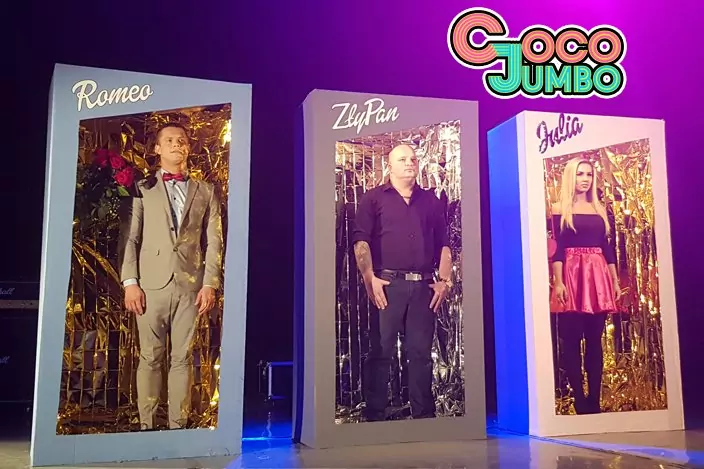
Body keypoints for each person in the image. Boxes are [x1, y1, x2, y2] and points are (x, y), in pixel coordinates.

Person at [118, 123, 223, 430]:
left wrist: (209, 283)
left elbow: (214, 240)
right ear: (157, 149)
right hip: (150, 286)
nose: (177, 144)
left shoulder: (206, 191)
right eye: (169, 140)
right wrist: (130, 283)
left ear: (188, 147)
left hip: (190, 286)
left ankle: (178, 426)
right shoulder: (141, 188)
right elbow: (130, 238)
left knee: (182, 358)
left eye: (182, 140)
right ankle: (147, 427)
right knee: (150, 356)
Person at [351, 143, 452, 421]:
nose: (410, 163)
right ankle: (375, 416)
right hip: (388, 285)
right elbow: (361, 241)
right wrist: (369, 278)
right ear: (390, 165)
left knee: (420, 354)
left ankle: (423, 417)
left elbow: (444, 243)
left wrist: (444, 280)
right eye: (403, 159)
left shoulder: (430, 201)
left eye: (413, 159)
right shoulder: (373, 199)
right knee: (381, 351)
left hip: (423, 287)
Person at [550, 158, 621, 415]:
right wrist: (559, 281)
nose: (585, 179)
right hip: (572, 275)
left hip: (597, 276)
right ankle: (579, 399)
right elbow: (557, 248)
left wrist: (614, 279)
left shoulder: (599, 209)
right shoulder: (559, 208)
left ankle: (595, 400)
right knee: (571, 339)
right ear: (572, 176)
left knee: (594, 340)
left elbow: (606, 247)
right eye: (580, 174)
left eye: (589, 174)